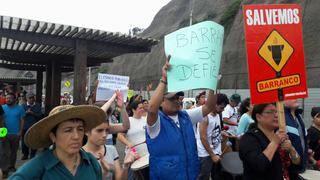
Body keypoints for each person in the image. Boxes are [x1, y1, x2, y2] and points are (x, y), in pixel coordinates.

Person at [146, 55, 216, 179]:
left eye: (178, 98)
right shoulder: (156, 123)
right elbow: (151, 109)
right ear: (161, 102)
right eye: (172, 98)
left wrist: (213, 83)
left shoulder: (186, 116)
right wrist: (164, 79)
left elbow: (209, 107)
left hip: (191, 174)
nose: (177, 100)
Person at [10, 105, 105, 179]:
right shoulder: (38, 166)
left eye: (80, 129)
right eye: (68, 130)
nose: (76, 136)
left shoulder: (91, 162)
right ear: (53, 136)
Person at [239, 103, 301, 180]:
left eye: (277, 112)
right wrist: (275, 142)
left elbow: (297, 162)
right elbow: (259, 165)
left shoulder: (280, 135)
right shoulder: (249, 138)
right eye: (270, 112)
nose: (276, 115)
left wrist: (291, 149)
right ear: (258, 117)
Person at [83, 115, 136, 180]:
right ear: (86, 131)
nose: (104, 135)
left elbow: (119, 178)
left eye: (107, 130)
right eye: (99, 130)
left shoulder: (111, 149)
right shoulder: (79, 154)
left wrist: (125, 166)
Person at [197, 93, 229, 180]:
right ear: (214, 104)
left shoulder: (218, 115)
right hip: (205, 154)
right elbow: (203, 137)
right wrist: (212, 155)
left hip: (215, 152)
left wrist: (221, 132)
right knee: (204, 177)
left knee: (216, 175)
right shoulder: (205, 116)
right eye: (221, 107)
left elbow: (213, 129)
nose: (223, 110)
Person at [118, 100, 149, 179]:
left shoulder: (146, 120)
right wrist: (128, 143)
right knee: (132, 177)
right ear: (133, 110)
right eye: (140, 108)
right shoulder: (128, 121)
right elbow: (120, 135)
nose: (142, 109)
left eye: (143, 108)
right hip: (133, 156)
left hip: (146, 155)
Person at [1, 93, 25, 178]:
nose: (8, 100)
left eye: (10, 98)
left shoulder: (20, 108)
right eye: (7, 98)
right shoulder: (2, 108)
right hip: (4, 133)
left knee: (13, 152)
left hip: (16, 133)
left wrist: (20, 131)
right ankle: (5, 169)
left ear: (14, 99)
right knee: (4, 152)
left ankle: (12, 166)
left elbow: (22, 120)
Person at [284, 99, 308, 179]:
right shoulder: (281, 118)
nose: (296, 98)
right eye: (291, 96)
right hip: (290, 170)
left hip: (302, 166)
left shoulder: (298, 116)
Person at [21, 92, 42, 160]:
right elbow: (21, 116)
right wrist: (26, 113)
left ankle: (32, 155)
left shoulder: (38, 105)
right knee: (24, 141)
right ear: (26, 99)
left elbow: (40, 116)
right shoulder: (23, 106)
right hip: (25, 126)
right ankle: (25, 154)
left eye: (32, 97)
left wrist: (33, 113)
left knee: (34, 141)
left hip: (34, 126)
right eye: (30, 98)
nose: (31, 99)